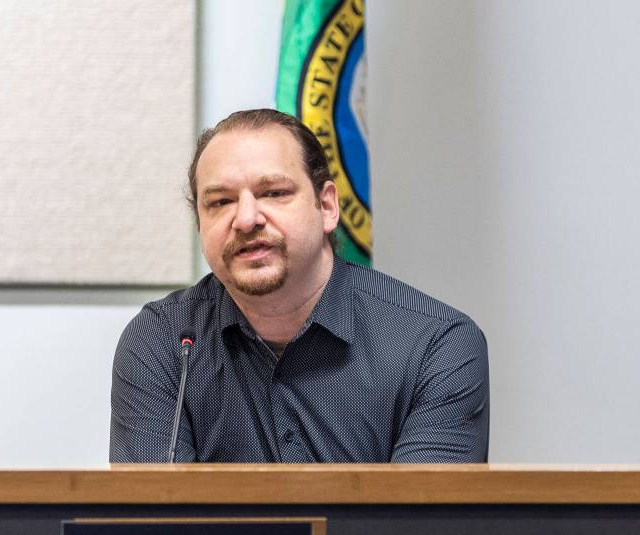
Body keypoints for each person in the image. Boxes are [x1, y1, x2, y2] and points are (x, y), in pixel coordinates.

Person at [110, 109, 488, 463]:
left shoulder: (434, 344)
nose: (246, 219)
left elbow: (418, 513)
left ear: (327, 207)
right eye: (221, 202)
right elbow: (153, 510)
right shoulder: (163, 341)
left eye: (274, 193)